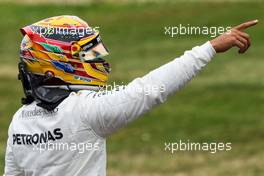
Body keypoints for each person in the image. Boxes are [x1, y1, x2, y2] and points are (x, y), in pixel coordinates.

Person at [4, 15, 258, 176]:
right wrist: (209, 48)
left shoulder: (20, 120)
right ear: (58, 63)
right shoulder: (85, 112)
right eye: (88, 55)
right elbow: (151, 90)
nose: (98, 60)